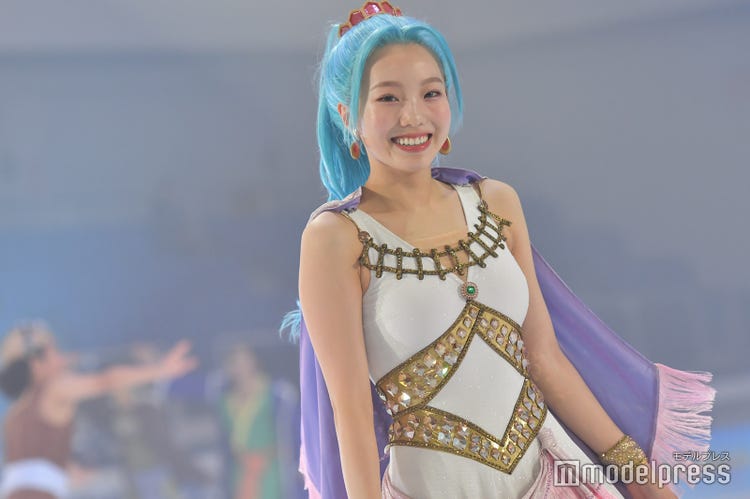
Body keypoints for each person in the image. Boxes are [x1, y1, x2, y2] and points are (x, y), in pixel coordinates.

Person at [282, 3, 716, 498]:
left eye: (431, 92)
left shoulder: (496, 201)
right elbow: (352, 411)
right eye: (388, 97)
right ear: (348, 117)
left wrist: (641, 478)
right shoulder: (335, 236)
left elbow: (546, 361)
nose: (413, 115)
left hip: (556, 479)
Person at [0, 321, 198, 499]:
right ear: (36, 363)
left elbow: (34, 462)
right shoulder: (54, 389)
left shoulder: (17, 412)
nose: (60, 356)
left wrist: (68, 470)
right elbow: (105, 380)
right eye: (54, 351)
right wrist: (159, 369)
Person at [218, 344, 284, 499]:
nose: (241, 368)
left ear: (254, 362)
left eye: (245, 361)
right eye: (235, 363)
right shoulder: (225, 401)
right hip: (240, 469)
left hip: (269, 468)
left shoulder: (273, 393)